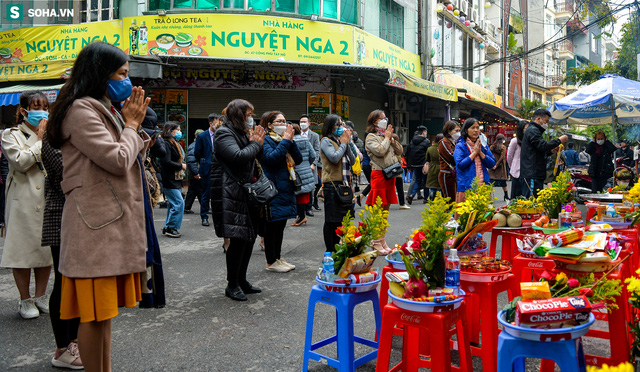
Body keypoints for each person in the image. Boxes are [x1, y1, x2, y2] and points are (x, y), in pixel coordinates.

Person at [46, 41, 151, 372]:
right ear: (100, 74)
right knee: (93, 316)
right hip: (95, 226)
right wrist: (132, 126)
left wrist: (136, 132)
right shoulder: (81, 110)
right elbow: (118, 159)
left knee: (104, 315)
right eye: (121, 73)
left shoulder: (102, 106)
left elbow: (125, 156)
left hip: (106, 222)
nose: (127, 81)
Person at [1, 91, 52, 320]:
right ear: (23, 111)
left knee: (45, 250)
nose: (41, 111)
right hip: (22, 197)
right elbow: (20, 162)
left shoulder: (53, 133)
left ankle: (41, 296)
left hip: (48, 197)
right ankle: (25, 299)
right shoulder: (10, 134)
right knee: (22, 250)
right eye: (36, 106)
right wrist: (40, 141)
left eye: (44, 106)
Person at [211, 99, 264, 301]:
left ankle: (242, 280)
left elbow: (258, 158)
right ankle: (232, 284)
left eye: (252, 115)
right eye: (249, 115)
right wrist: (255, 143)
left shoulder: (242, 133)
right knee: (238, 239)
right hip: (231, 192)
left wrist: (260, 143)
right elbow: (238, 156)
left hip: (247, 191)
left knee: (248, 237)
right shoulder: (224, 133)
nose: (252, 119)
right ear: (238, 115)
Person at [41, 126, 83, 369]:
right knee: (63, 279)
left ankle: (75, 340)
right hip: (61, 214)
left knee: (77, 280)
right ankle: (62, 347)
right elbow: (69, 169)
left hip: (82, 213)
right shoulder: (53, 133)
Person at [259, 111, 302, 273]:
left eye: (284, 121)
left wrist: (290, 141)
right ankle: (270, 261)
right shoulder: (266, 140)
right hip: (272, 190)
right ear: (269, 125)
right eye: (278, 121)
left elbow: (298, 159)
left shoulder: (285, 140)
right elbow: (271, 159)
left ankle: (277, 258)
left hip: (286, 188)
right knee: (272, 227)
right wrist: (285, 141)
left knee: (280, 226)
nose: (283, 124)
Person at [364, 109, 402, 253]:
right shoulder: (371, 137)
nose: (385, 120)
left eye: (386, 117)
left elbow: (399, 151)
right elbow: (379, 151)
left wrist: (391, 139)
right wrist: (386, 138)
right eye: (382, 118)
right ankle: (375, 241)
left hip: (389, 176)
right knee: (378, 211)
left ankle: (382, 241)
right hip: (379, 175)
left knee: (385, 212)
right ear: (374, 121)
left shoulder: (385, 135)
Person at [319, 114, 355, 252]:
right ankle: (330, 251)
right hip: (332, 185)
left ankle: (338, 247)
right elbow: (334, 158)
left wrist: (348, 142)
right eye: (338, 125)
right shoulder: (326, 141)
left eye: (342, 124)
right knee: (331, 220)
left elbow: (353, 160)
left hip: (344, 184)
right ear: (330, 126)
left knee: (341, 220)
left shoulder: (341, 141)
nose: (341, 127)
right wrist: (344, 143)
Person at [520, 108, 568, 198]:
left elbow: (539, 150)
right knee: (531, 202)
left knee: (536, 202)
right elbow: (543, 146)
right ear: (538, 119)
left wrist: (552, 151)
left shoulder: (535, 130)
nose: (546, 124)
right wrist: (559, 140)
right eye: (546, 121)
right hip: (531, 173)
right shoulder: (533, 130)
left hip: (536, 173)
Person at [453, 118, 496, 202]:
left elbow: (492, 163)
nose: (476, 130)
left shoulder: (483, 145)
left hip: (483, 187)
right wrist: (474, 153)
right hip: (467, 187)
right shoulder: (460, 145)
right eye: (473, 128)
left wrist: (480, 153)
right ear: (466, 130)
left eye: (477, 127)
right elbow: (460, 165)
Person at [160, 122, 186, 238]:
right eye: (178, 130)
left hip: (174, 179)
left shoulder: (173, 143)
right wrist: (181, 166)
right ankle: (171, 227)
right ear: (170, 131)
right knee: (179, 203)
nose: (180, 132)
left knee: (173, 204)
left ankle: (167, 227)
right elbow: (166, 162)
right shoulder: (166, 144)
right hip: (169, 179)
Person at [194, 113, 220, 226]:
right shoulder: (202, 136)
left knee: (219, 194)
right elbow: (197, 153)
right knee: (206, 193)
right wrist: (204, 162)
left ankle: (218, 216)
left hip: (220, 168)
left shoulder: (221, 134)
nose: (220, 125)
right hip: (208, 168)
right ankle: (204, 216)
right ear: (211, 123)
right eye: (217, 122)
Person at [292, 123, 316, 226]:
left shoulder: (291, 141)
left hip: (296, 170)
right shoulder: (305, 140)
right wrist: (307, 163)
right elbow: (313, 155)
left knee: (298, 194)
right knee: (303, 194)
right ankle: (301, 216)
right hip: (306, 169)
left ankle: (301, 217)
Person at [300, 114, 321, 211]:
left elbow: (317, 151)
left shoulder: (314, 136)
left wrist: (314, 164)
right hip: (300, 165)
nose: (302, 124)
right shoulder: (296, 134)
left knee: (311, 186)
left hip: (311, 165)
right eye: (301, 122)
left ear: (309, 123)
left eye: (304, 122)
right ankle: (301, 209)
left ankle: (309, 207)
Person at [405, 126, 430, 204]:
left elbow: (408, 154)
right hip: (423, 165)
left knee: (417, 181)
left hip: (415, 164)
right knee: (426, 181)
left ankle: (412, 195)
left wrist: (409, 165)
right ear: (423, 132)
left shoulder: (412, 141)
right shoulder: (426, 142)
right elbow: (428, 153)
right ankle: (426, 198)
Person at [438, 120, 460, 201]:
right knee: (450, 199)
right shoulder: (443, 142)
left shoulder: (454, 142)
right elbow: (451, 157)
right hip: (446, 174)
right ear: (449, 131)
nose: (458, 133)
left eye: (459, 131)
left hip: (454, 174)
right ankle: (448, 214)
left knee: (455, 199)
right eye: (456, 131)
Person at [507, 120, 528, 199]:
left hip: (527, 173)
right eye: (526, 128)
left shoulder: (529, 141)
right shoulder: (514, 141)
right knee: (516, 197)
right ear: (521, 129)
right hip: (516, 173)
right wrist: (512, 167)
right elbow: (509, 157)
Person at [184, 129, 204, 214]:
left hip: (194, 172)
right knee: (200, 190)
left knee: (193, 190)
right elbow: (191, 160)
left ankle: (186, 208)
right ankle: (204, 207)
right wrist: (196, 173)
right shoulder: (195, 145)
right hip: (196, 172)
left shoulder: (194, 145)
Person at [488, 133, 509, 200]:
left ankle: (489, 196)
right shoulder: (503, 147)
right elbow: (502, 157)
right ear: (502, 139)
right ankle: (506, 196)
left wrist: (492, 165)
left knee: (491, 182)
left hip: (492, 166)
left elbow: (489, 155)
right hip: (500, 167)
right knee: (503, 183)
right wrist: (497, 164)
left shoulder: (491, 147)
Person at [392, 134, 410, 210]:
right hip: (396, 171)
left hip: (389, 171)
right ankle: (402, 203)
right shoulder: (397, 148)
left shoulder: (389, 148)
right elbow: (400, 160)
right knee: (400, 188)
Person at [425, 133, 443, 201]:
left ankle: (432, 197)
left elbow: (427, 159)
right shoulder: (443, 149)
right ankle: (441, 199)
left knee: (432, 186)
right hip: (442, 167)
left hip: (432, 168)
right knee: (441, 185)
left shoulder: (430, 149)